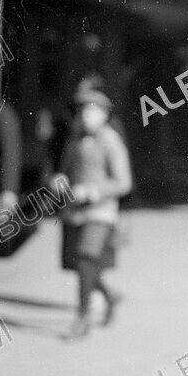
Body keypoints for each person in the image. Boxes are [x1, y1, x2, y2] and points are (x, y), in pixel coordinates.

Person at [56, 88, 132, 338]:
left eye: (92, 112)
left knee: (86, 257)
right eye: (82, 112)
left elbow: (123, 182)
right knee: (78, 263)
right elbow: (66, 171)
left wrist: (92, 191)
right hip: (75, 211)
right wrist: (59, 180)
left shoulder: (111, 141)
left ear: (104, 115)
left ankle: (82, 317)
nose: (86, 116)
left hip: (101, 211)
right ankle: (109, 296)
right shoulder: (75, 139)